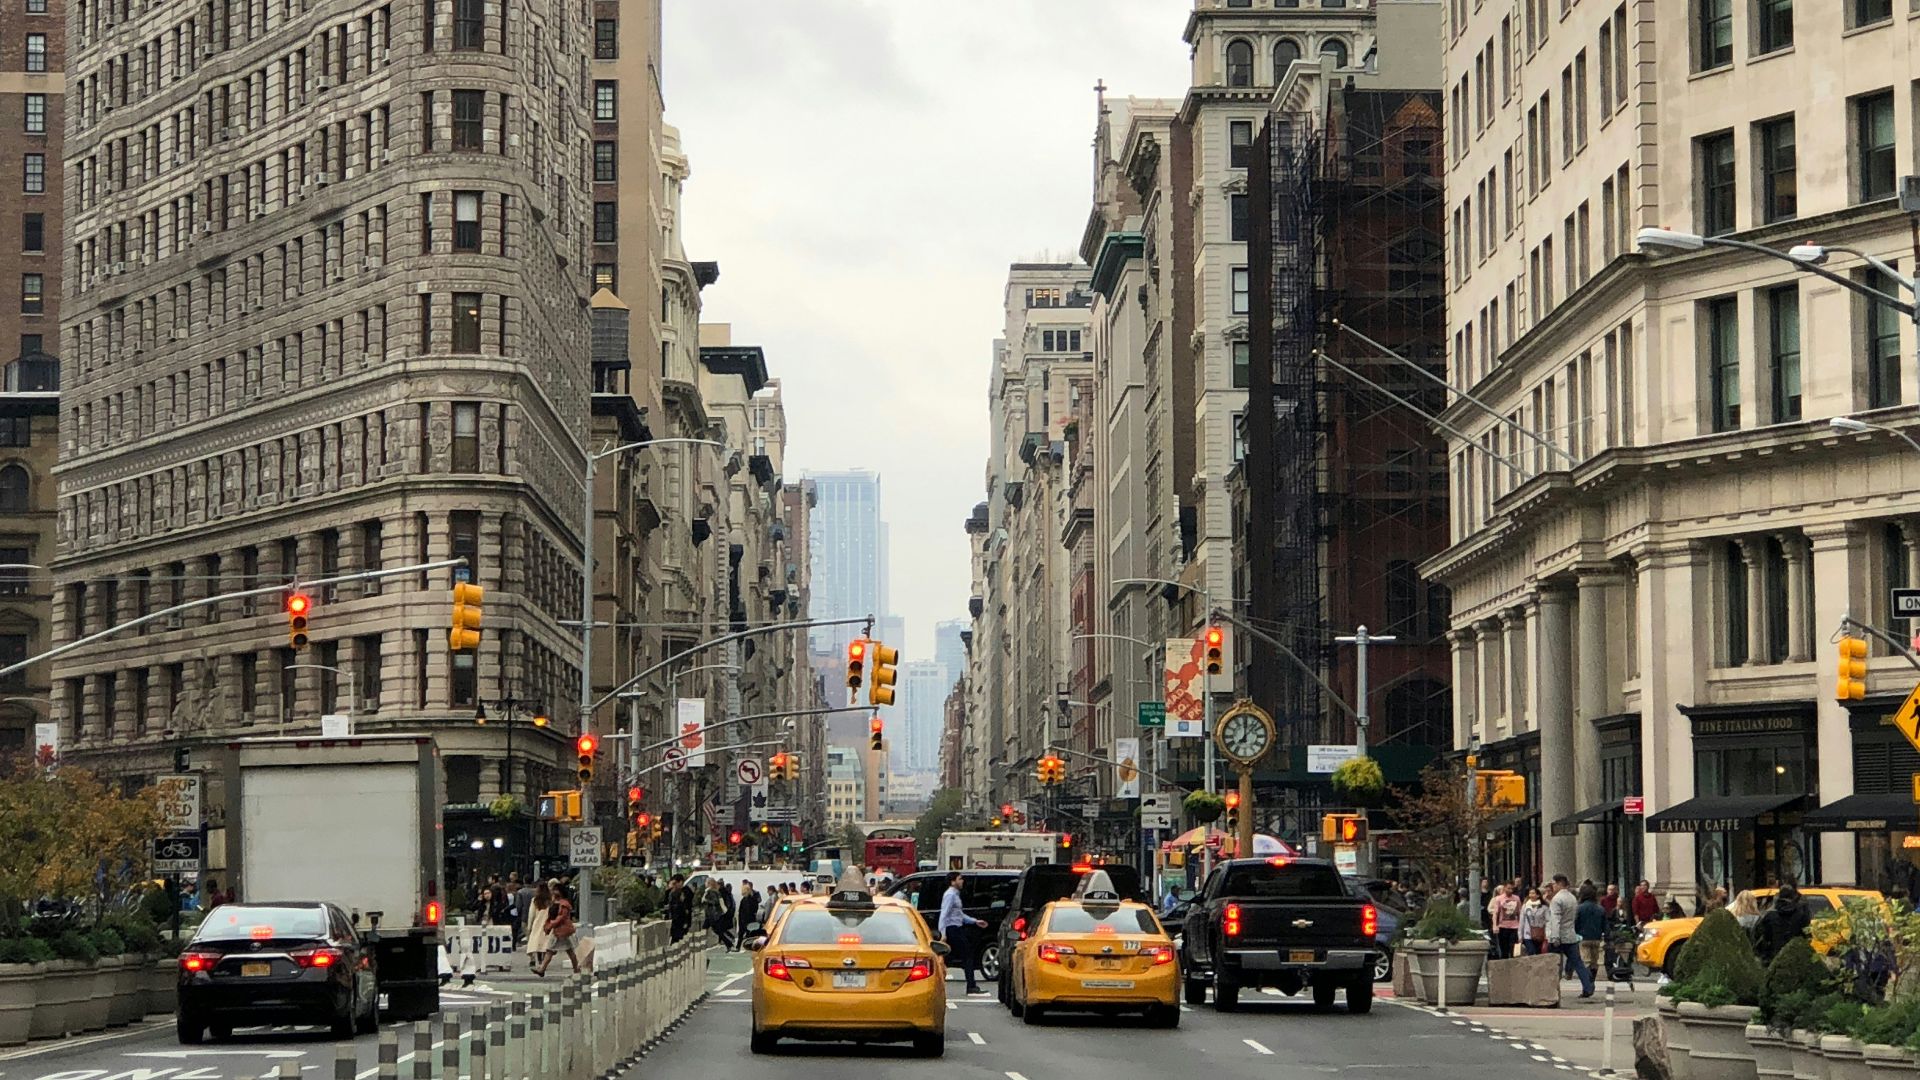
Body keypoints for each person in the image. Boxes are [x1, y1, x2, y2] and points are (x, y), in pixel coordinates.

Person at [937, 872, 988, 995]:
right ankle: (971, 986)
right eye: (959, 879)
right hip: (952, 928)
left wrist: (975, 921)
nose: (962, 881)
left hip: (956, 927)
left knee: (955, 956)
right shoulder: (950, 895)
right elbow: (944, 914)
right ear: (952, 881)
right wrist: (943, 933)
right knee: (967, 954)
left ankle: (970, 985)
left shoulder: (955, 894)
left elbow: (959, 914)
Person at [1548, 875, 1594, 998]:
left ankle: (1551, 990)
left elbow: (1555, 919)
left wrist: (1555, 937)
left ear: (1559, 884)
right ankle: (1588, 987)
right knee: (1578, 963)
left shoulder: (1556, 899)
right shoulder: (1572, 898)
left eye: (1553, 884)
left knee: (1554, 964)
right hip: (1571, 934)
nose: (1553, 886)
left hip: (1559, 935)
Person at [1754, 884, 1811, 966]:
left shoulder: (1770, 915)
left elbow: (1761, 936)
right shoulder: (1801, 914)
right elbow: (1807, 934)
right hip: (1796, 956)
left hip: (1775, 958)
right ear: (1793, 896)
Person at [535, 881, 580, 977]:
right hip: (560, 931)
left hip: (562, 931)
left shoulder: (563, 904)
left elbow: (561, 917)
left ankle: (542, 969)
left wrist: (550, 925)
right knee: (558, 951)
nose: (553, 892)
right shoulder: (556, 902)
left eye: (556, 890)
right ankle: (576, 970)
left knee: (554, 950)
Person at [1576, 884, 1608, 976]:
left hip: (1583, 937)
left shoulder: (1579, 908)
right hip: (1596, 937)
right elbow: (1605, 924)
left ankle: (1587, 982)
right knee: (1595, 961)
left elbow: (1576, 923)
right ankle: (1592, 979)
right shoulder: (1600, 909)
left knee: (1586, 961)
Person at [524, 881, 553, 971]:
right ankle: (544, 961)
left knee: (538, 942)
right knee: (546, 942)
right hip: (548, 921)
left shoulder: (535, 900)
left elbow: (531, 914)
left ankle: (539, 961)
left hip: (538, 922)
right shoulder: (551, 900)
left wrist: (529, 925)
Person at [701, 880, 734, 950]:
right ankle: (729, 943)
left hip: (713, 914)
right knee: (717, 930)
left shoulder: (712, 891)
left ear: (710, 884)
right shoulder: (710, 891)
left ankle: (703, 943)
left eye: (706, 882)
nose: (705, 884)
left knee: (714, 930)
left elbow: (715, 901)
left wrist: (706, 900)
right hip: (713, 914)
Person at [1493, 883, 1523, 959]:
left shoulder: (1516, 898)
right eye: (1508, 888)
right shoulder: (1499, 899)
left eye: (1512, 889)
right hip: (1502, 925)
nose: (1510, 890)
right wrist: (1494, 925)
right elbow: (1496, 913)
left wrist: (1520, 925)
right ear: (1505, 888)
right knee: (1504, 947)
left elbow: (1520, 912)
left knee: (1512, 945)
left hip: (1514, 926)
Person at [1518, 887, 1549, 956]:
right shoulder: (1525, 906)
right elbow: (1521, 921)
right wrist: (1520, 935)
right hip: (1527, 933)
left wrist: (1547, 934)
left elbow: (1548, 921)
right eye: (1530, 893)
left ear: (1538, 895)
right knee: (1531, 952)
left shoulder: (1544, 907)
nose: (1531, 895)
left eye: (1533, 893)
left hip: (1540, 934)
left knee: (1539, 953)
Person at [665, 875, 692, 943]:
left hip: (681, 917)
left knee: (680, 936)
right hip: (675, 918)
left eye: (675, 883)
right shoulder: (671, 892)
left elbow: (686, 905)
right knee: (676, 936)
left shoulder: (685, 891)